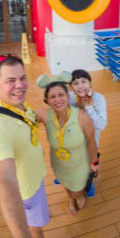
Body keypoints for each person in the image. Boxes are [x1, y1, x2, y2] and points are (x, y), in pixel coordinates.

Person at [0, 55, 73, 238]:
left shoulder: (13, 105)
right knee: (35, 225)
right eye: (11, 81)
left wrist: (66, 114)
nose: (19, 85)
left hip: (34, 178)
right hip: (26, 190)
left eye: (22, 78)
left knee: (36, 220)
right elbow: (5, 181)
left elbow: (33, 115)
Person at [39, 74, 99, 216]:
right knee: (66, 184)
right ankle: (71, 200)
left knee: (78, 188)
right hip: (59, 164)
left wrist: (94, 162)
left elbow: (91, 141)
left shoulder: (81, 117)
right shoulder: (45, 115)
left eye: (61, 95)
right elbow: (23, 115)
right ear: (46, 101)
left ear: (68, 96)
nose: (58, 100)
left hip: (80, 164)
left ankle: (79, 195)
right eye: (52, 97)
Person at [68, 69, 108, 148]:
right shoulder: (68, 97)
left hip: (90, 143)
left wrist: (89, 106)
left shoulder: (98, 98)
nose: (80, 86)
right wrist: (79, 104)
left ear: (90, 84)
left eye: (84, 82)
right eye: (75, 83)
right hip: (71, 141)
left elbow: (101, 126)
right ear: (71, 87)